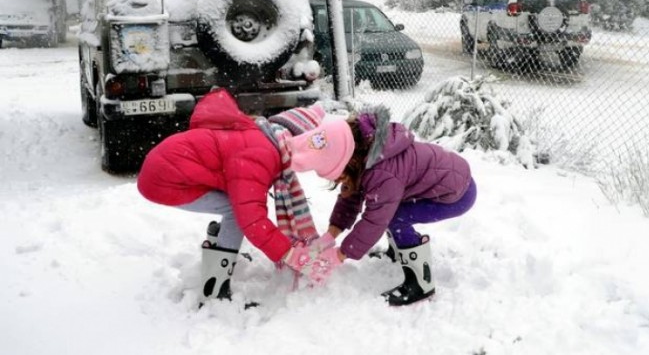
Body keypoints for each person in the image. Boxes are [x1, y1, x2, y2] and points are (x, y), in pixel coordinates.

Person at [136, 88, 354, 306]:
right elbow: (252, 220)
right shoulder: (260, 154)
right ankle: (215, 289)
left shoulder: (261, 137)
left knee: (237, 204)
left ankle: (220, 244)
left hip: (167, 167)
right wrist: (290, 254)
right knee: (236, 211)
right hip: (164, 179)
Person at [288, 105, 476, 306]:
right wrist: (330, 235)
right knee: (390, 209)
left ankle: (421, 284)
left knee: (394, 216)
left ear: (349, 163)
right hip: (444, 180)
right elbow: (351, 195)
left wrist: (339, 255)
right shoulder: (364, 155)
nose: (341, 181)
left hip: (457, 194)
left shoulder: (382, 174)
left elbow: (375, 221)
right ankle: (397, 251)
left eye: (340, 176)